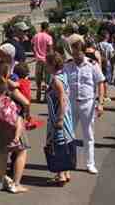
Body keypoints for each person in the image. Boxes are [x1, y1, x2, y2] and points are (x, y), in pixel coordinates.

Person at [0, 62, 29, 193]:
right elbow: (25, 102)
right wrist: (26, 112)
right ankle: (16, 183)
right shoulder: (7, 85)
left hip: (0, 121)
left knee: (3, 151)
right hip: (12, 121)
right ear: (6, 73)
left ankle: (2, 180)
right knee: (21, 150)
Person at [64, 35, 106, 174]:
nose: (76, 56)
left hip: (87, 104)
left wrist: (100, 103)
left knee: (88, 135)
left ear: (83, 51)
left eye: (78, 53)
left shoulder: (92, 65)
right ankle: (69, 162)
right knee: (69, 135)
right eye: (74, 53)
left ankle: (90, 164)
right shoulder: (67, 65)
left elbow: (100, 82)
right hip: (71, 103)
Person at [44, 52, 74, 186]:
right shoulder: (63, 75)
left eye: (47, 63)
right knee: (65, 141)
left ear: (51, 64)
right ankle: (66, 172)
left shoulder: (56, 79)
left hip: (58, 115)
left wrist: (60, 118)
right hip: (65, 114)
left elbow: (62, 97)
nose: (45, 65)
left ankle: (61, 174)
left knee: (58, 142)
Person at [31, 22, 54, 101]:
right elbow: (50, 50)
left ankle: (38, 95)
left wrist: (35, 53)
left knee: (38, 79)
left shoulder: (36, 36)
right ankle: (45, 97)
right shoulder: (48, 37)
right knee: (47, 80)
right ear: (47, 28)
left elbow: (32, 45)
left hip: (38, 60)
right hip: (46, 60)